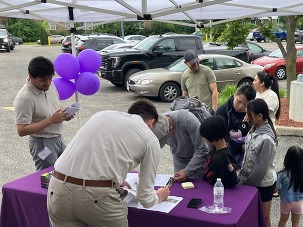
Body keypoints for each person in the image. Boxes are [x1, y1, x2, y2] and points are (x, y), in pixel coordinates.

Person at [47, 99, 170, 227]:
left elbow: (95, 151)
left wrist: (112, 177)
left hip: (57, 187)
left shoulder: (101, 115)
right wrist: (159, 196)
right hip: (96, 196)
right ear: (152, 122)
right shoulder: (150, 139)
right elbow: (145, 198)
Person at [13, 56, 74, 171]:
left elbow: (55, 104)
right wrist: (51, 120)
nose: (48, 83)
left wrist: (63, 114)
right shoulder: (24, 99)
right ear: (31, 77)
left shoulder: (50, 86)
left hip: (58, 138)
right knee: (47, 177)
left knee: (67, 170)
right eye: (43, 80)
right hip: (42, 144)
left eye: (50, 78)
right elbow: (21, 130)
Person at [238, 98, 277, 227]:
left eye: (248, 114)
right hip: (250, 180)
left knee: (264, 218)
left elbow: (261, 169)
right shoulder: (253, 129)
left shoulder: (267, 139)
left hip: (262, 184)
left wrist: (246, 185)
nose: (245, 117)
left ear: (259, 116)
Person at [153, 109, 209, 182]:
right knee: (178, 185)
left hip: (196, 158)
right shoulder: (159, 124)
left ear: (171, 129)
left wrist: (187, 172)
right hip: (179, 157)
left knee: (195, 187)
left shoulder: (189, 121)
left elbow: (202, 149)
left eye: (165, 139)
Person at [215, 84, 256, 167]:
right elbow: (221, 138)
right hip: (226, 155)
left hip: (247, 155)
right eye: (238, 101)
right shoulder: (222, 112)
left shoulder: (252, 113)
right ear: (234, 95)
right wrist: (241, 147)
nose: (241, 106)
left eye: (245, 105)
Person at [200, 115, 238, 188]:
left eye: (204, 137)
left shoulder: (218, 158)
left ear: (212, 136)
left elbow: (217, 183)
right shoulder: (226, 145)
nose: (204, 139)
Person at [276, 146, 303, 227]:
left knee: (283, 220)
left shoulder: (282, 174)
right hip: (299, 202)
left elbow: (276, 188)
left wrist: (278, 191)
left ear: (287, 158)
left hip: (285, 201)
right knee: (296, 222)